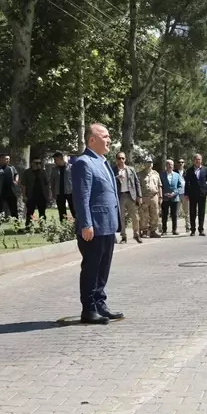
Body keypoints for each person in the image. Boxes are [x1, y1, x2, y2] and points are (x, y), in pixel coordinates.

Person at [72, 123, 122, 325]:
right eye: (105, 136)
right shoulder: (83, 163)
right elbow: (81, 197)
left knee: (103, 268)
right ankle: (89, 308)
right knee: (91, 268)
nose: (109, 139)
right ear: (92, 139)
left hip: (108, 225)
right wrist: (86, 224)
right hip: (93, 227)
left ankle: (100, 304)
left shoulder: (103, 162)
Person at [114, 151, 142, 244]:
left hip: (131, 195)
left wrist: (139, 196)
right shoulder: (113, 170)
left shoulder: (130, 169)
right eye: (119, 158)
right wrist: (116, 177)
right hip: (120, 196)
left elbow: (137, 182)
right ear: (116, 159)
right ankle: (124, 237)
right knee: (121, 217)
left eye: (123, 158)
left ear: (125, 159)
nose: (121, 160)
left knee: (135, 217)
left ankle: (136, 235)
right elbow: (109, 180)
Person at [183, 154, 207, 235]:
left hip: (202, 194)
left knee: (201, 212)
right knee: (192, 212)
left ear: (201, 160)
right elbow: (187, 183)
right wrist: (186, 194)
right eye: (196, 159)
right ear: (193, 160)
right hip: (192, 194)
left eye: (199, 159)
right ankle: (193, 230)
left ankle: (201, 229)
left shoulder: (205, 169)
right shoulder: (189, 170)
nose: (197, 161)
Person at [22, 156, 51, 227]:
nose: (38, 164)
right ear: (32, 163)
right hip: (31, 195)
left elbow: (47, 184)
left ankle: (42, 226)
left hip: (42, 195)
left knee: (42, 212)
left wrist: (49, 194)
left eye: (40, 163)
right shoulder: (27, 172)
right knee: (30, 212)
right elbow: (23, 185)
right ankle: (28, 226)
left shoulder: (43, 172)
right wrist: (24, 196)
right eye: (36, 163)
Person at [139, 161, 163, 238]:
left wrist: (160, 197)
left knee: (155, 214)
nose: (149, 164)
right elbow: (137, 187)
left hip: (154, 196)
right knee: (144, 214)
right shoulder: (139, 174)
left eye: (150, 163)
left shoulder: (156, 174)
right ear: (144, 164)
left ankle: (153, 231)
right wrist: (139, 197)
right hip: (144, 196)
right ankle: (144, 231)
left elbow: (159, 186)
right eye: (147, 162)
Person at [161, 158, 184, 235]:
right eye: (168, 164)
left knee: (174, 215)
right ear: (166, 165)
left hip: (175, 198)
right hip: (165, 198)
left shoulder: (177, 175)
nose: (170, 166)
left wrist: (175, 193)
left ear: (173, 166)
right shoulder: (162, 174)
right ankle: (164, 230)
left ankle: (174, 229)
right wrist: (164, 194)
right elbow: (160, 186)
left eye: (171, 165)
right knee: (165, 215)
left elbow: (180, 186)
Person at [0, 152, 19, 218]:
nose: (8, 160)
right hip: (0, 192)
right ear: (1, 159)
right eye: (6, 159)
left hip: (11, 191)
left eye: (8, 159)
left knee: (14, 209)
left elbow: (16, 174)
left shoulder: (11, 167)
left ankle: (16, 225)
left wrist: (16, 180)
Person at [49, 151, 73, 221]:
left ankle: (77, 226)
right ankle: (63, 226)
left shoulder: (70, 167)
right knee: (61, 211)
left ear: (61, 158)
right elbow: (52, 182)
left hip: (70, 192)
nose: (55, 162)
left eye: (56, 160)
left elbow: (75, 180)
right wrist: (53, 193)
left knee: (74, 210)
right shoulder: (54, 170)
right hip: (59, 193)